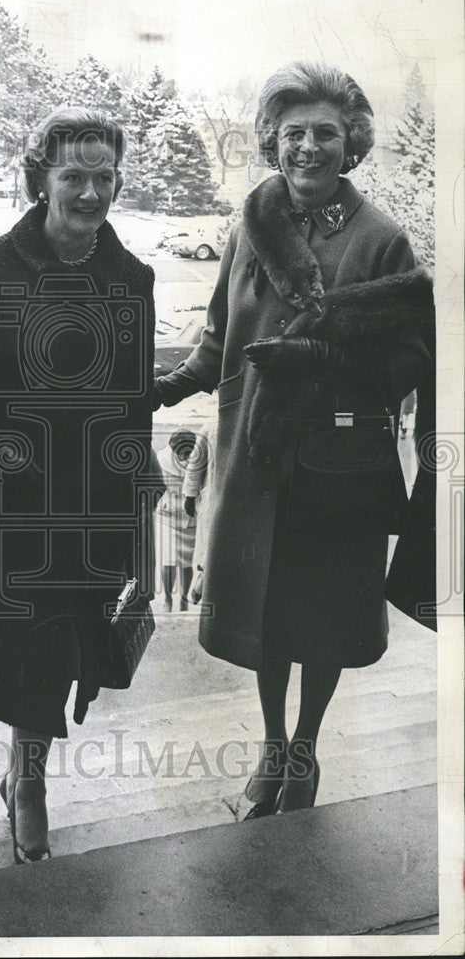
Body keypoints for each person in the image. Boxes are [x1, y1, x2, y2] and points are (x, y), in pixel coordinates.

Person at [153, 62, 434, 816]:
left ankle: (305, 751)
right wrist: (158, 390)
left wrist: (319, 358)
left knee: (325, 614)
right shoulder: (251, 226)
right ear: (273, 143)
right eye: (294, 133)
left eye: (326, 135)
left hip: (337, 466)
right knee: (268, 613)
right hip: (253, 460)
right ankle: (272, 747)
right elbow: (215, 342)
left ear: (352, 146)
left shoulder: (382, 240)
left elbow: (411, 360)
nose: (308, 147)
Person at [0, 107, 156, 862]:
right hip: (9, 506)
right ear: (41, 180)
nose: (92, 192)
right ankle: (20, 778)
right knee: (13, 648)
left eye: (105, 175)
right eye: (75, 176)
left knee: (65, 648)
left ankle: (27, 782)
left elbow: (132, 403)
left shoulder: (132, 278)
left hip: (93, 500)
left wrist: (136, 501)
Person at [154, 429, 197, 611]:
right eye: (180, 451)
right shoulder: (161, 458)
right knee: (168, 559)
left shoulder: (198, 459)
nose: (183, 456)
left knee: (186, 561)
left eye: (188, 452)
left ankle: (184, 598)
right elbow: (154, 484)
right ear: (173, 448)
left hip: (189, 516)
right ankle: (167, 598)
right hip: (167, 514)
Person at [182, 407, 218, 605]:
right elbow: (196, 463)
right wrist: (190, 494)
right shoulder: (211, 425)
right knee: (210, 540)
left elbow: (195, 464)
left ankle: (203, 581)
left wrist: (190, 495)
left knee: (213, 540)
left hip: (221, 496)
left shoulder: (211, 425)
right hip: (214, 495)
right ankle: (203, 580)